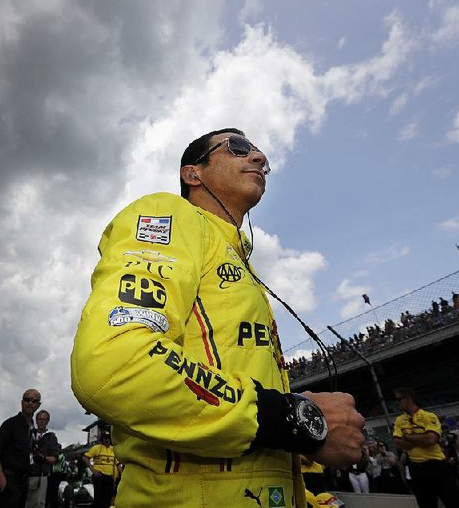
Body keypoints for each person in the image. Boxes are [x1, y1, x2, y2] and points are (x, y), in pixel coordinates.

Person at [71, 128, 366, 507]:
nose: (258, 158)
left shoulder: (238, 264)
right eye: (239, 148)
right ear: (193, 174)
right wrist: (296, 418)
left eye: (261, 154)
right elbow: (115, 364)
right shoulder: (169, 214)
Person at [392, 387, 459, 508]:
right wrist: (421, 438)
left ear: (408, 399)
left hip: (437, 466)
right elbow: (398, 443)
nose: (396, 402)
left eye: (399, 399)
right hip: (416, 468)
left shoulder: (429, 416)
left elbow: (431, 439)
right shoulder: (399, 420)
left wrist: (409, 438)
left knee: (454, 502)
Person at [0, 389, 41, 508]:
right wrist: (3, 483)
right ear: (22, 402)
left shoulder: (32, 428)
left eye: (34, 401)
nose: (30, 403)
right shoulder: (11, 424)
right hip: (9, 481)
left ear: (38, 405)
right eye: (27, 399)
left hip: (23, 483)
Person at [26, 409, 60, 508]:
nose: (41, 421)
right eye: (39, 419)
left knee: (39, 503)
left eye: (44, 419)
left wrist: (43, 458)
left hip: (42, 475)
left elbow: (54, 459)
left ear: (47, 421)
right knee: (27, 503)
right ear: (36, 420)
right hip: (28, 473)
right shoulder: (30, 434)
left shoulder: (51, 437)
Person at [82, 430, 120, 508]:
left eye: (108, 438)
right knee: (98, 500)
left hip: (109, 478)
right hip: (99, 477)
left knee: (108, 500)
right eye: (105, 438)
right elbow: (85, 458)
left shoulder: (113, 450)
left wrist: (122, 476)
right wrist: (93, 470)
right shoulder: (96, 448)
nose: (107, 440)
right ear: (102, 439)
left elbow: (118, 464)